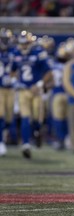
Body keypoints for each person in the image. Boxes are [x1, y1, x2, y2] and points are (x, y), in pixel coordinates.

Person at [11, 30, 53, 159]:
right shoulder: (16, 53)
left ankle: (37, 132)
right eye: (22, 43)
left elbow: (49, 73)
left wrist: (40, 84)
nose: (23, 46)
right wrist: (15, 82)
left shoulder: (38, 53)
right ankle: (26, 145)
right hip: (24, 90)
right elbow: (12, 71)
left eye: (26, 43)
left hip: (37, 91)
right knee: (25, 117)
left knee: (36, 118)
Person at [0, 28, 14, 156]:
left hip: (11, 88)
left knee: (9, 116)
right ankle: (0, 142)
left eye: (6, 39)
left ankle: (4, 137)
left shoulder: (14, 52)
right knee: (0, 114)